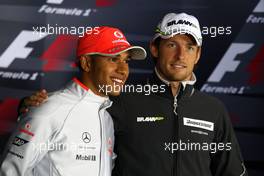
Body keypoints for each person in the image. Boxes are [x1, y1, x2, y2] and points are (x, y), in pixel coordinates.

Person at [16, 13, 247, 176]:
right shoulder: (120, 100)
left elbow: (232, 171)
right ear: (155, 49)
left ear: (198, 55)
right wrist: (31, 109)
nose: (180, 56)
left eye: (189, 47)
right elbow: (76, 107)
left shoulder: (213, 110)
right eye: (171, 45)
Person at [0, 26, 146, 176]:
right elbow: (10, 172)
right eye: (114, 59)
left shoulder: (106, 117)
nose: (123, 70)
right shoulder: (49, 109)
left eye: (126, 61)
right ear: (86, 63)